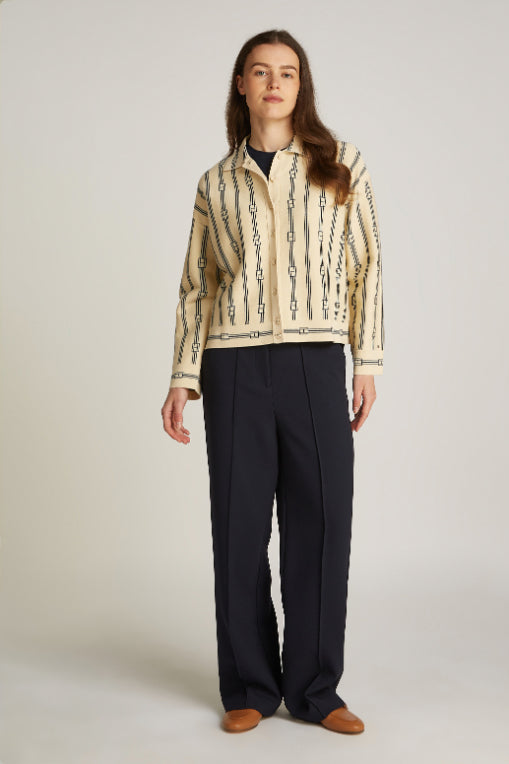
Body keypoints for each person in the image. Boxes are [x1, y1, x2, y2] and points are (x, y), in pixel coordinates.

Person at [161, 28, 384, 734]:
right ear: (242, 85)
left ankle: (317, 690)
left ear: (300, 85)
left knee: (322, 520)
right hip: (233, 363)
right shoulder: (215, 183)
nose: (274, 83)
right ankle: (249, 688)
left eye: (286, 72)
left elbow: (366, 267)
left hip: (316, 360)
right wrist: (182, 376)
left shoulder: (339, 163)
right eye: (260, 72)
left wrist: (366, 361)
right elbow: (197, 287)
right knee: (239, 523)